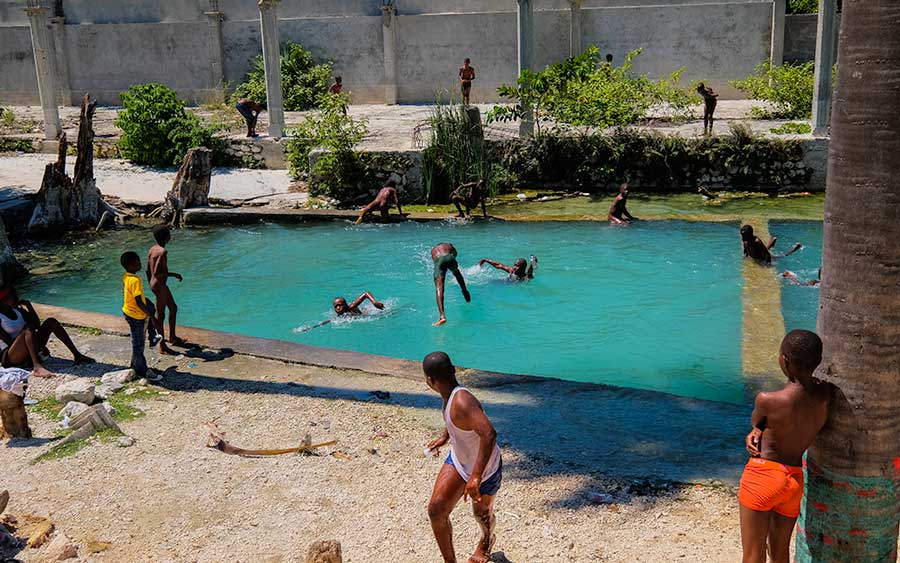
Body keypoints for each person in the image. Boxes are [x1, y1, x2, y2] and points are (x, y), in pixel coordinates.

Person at [740, 330, 832, 563]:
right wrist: (759, 430)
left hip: (763, 476)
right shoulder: (825, 394)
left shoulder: (767, 400)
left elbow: (757, 419)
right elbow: (769, 423)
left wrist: (756, 428)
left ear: (784, 361)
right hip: (794, 481)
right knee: (780, 552)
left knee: (753, 554)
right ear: (818, 362)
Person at [423, 351, 502, 563]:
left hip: (485, 469)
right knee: (436, 510)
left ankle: (486, 541)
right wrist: (444, 437)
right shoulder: (448, 394)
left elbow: (489, 433)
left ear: (430, 381)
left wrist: (475, 477)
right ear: (453, 370)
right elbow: (457, 421)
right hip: (460, 460)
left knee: (481, 514)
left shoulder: (462, 400)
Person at [0, 286, 94, 378]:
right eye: (14, 296)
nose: (17, 298)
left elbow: (36, 325)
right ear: (4, 301)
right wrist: (35, 351)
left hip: (27, 346)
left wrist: (29, 307)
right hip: (11, 356)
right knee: (28, 329)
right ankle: (37, 367)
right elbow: (9, 342)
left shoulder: (18, 310)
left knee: (51, 322)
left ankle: (77, 355)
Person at [121, 252, 161, 380]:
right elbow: (138, 301)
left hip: (129, 311)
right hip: (136, 315)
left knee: (150, 306)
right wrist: (152, 317)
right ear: (131, 265)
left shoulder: (127, 276)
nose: (140, 263)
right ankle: (142, 370)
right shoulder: (135, 280)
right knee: (138, 344)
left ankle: (135, 363)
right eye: (138, 261)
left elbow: (133, 296)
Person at [147, 225, 184, 354]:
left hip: (155, 284)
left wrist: (151, 284)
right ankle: (162, 345)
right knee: (160, 315)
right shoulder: (162, 252)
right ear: (166, 237)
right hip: (160, 285)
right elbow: (157, 272)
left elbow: (148, 270)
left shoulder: (152, 249)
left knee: (173, 308)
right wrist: (174, 275)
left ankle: (173, 337)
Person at [431, 243, 471, 327]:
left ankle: (442, 316)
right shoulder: (448, 245)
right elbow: (455, 253)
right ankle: (465, 291)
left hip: (439, 262)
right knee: (457, 273)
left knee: (439, 288)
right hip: (450, 258)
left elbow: (436, 262)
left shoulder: (433, 250)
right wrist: (450, 261)